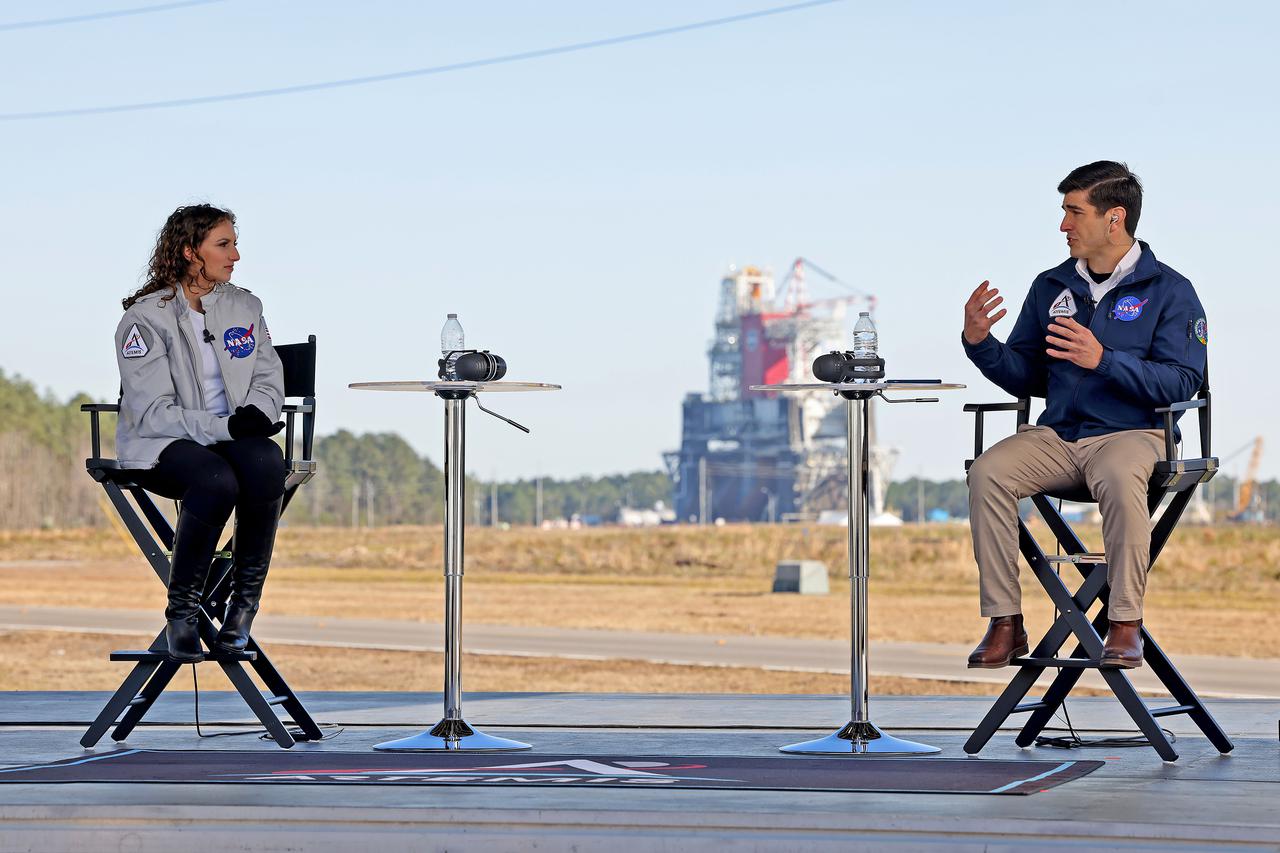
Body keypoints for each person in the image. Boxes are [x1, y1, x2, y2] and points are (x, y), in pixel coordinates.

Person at [961, 161, 1207, 670]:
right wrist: (980, 344)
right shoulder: (1051, 285)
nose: (1064, 225)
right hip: (1059, 437)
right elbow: (1027, 375)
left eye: (1075, 212)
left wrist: (1104, 360)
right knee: (987, 471)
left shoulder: (1170, 291)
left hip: (1135, 435)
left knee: (1120, 476)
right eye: (1064, 212)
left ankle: (1124, 622)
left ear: (1114, 218)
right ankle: (1006, 622)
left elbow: (1183, 383)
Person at [115, 204, 287, 662]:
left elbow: (269, 376)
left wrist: (257, 413)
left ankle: (242, 609)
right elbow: (151, 413)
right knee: (214, 479)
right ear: (191, 251)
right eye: (224, 245)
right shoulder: (144, 319)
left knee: (267, 459)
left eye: (234, 243)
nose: (235, 256)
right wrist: (223, 426)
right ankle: (183, 613)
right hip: (161, 445)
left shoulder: (245, 305)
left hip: (230, 437)